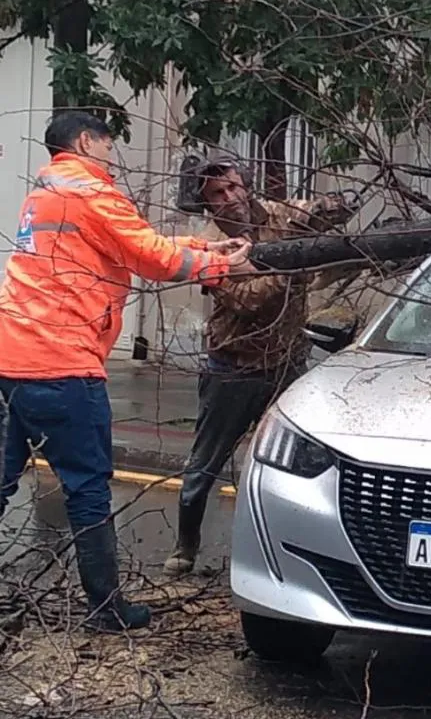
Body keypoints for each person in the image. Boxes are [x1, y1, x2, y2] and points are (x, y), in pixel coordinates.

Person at [0, 112, 253, 632]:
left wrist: (204, 247)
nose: (111, 158)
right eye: (108, 146)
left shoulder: (46, 193)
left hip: (12, 354)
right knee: (87, 488)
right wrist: (223, 266)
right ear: (86, 141)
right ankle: (107, 609)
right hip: (61, 362)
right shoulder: (92, 191)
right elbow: (150, 257)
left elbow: (130, 243)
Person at [163, 157, 356, 575]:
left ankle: (300, 550)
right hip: (233, 368)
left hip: (287, 364)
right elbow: (249, 300)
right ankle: (185, 547)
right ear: (206, 204)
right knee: (204, 464)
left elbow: (324, 212)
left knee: (304, 461)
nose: (230, 197)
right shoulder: (209, 248)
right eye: (218, 193)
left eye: (234, 186)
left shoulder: (278, 215)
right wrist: (292, 266)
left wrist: (334, 206)